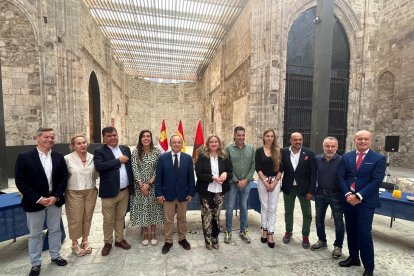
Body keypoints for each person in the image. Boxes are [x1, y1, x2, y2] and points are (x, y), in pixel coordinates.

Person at [15, 127, 69, 276]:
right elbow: (20, 181)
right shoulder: (24, 157)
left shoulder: (59, 157)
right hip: (34, 202)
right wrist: (39, 198)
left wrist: (56, 196)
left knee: (55, 230)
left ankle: (55, 255)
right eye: (46, 137)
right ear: (37, 138)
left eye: (52, 137)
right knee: (35, 234)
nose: (49, 140)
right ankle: (36, 263)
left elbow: (64, 178)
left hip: (54, 200)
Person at [338, 130, 386, 276]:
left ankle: (369, 267)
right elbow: (341, 176)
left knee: (364, 233)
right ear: (355, 140)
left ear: (370, 141)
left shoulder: (378, 158)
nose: (363, 141)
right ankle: (353, 257)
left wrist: (358, 196)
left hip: (365, 202)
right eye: (360, 139)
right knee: (351, 231)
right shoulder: (347, 157)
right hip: (348, 201)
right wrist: (347, 194)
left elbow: (376, 181)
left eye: (366, 139)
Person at [94, 127, 134, 256]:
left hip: (124, 191)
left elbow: (130, 168)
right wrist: (118, 161)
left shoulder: (125, 149)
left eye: (114, 135)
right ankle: (107, 243)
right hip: (109, 193)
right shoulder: (99, 151)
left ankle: (119, 239)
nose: (113, 137)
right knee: (108, 219)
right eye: (109, 136)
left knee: (120, 217)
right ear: (104, 139)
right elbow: (100, 167)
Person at [155, 135, 195, 254]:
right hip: (168, 195)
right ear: (170, 144)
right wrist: (159, 194)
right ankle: (168, 241)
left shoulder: (188, 158)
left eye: (179, 142)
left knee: (182, 219)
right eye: (174, 142)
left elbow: (191, 178)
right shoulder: (163, 158)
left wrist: (191, 192)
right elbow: (159, 178)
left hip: (183, 195)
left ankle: (182, 239)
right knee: (168, 219)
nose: (177, 144)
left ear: (182, 144)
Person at [195, 135, 232, 250]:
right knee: (207, 216)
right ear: (208, 144)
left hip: (219, 191)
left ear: (219, 143)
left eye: (216, 142)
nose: (214, 144)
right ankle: (207, 240)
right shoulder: (202, 156)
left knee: (216, 216)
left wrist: (225, 174)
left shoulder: (224, 157)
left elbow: (230, 171)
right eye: (211, 142)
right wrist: (213, 178)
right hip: (206, 191)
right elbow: (199, 174)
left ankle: (215, 238)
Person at [310, 137, 344, 259]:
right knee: (319, 218)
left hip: (336, 195)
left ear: (337, 147)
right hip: (320, 194)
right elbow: (313, 175)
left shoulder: (342, 160)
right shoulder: (317, 159)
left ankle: (338, 246)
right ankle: (322, 240)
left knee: (338, 222)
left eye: (333, 146)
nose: (330, 149)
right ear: (323, 147)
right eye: (327, 146)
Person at [281, 132, 316, 248]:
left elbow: (313, 174)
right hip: (288, 187)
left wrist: (311, 191)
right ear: (290, 141)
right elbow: (280, 168)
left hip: (304, 189)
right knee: (288, 212)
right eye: (295, 140)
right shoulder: (284, 152)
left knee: (307, 214)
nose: (298, 142)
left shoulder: (309, 153)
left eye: (300, 139)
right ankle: (288, 232)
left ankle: (305, 236)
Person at [64, 134, 98, 256]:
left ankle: (85, 240)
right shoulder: (67, 159)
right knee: (75, 218)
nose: (82, 145)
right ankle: (74, 243)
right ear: (73, 146)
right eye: (79, 143)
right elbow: (62, 177)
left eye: (84, 142)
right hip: (74, 191)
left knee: (87, 217)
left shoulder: (93, 158)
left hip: (90, 191)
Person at [130, 130, 163, 246]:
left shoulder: (157, 152)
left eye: (148, 136)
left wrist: (148, 184)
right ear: (140, 138)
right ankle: (145, 233)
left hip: (153, 185)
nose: (146, 138)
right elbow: (134, 168)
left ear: (151, 138)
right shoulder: (135, 152)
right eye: (143, 136)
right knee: (143, 209)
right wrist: (141, 185)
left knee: (153, 209)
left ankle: (153, 233)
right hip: (139, 187)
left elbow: (158, 169)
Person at [224, 126, 255, 244]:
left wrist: (246, 180)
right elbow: (227, 166)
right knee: (230, 207)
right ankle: (228, 230)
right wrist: (237, 181)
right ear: (235, 135)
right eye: (239, 135)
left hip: (246, 183)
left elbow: (253, 166)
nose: (241, 137)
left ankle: (243, 230)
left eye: (243, 135)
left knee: (243, 207)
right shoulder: (228, 149)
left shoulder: (251, 148)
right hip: (233, 183)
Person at [255, 129, 283, 248]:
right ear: (264, 137)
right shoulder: (259, 151)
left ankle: (271, 233)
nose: (270, 138)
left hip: (275, 182)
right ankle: (264, 230)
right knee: (264, 206)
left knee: (272, 207)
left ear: (274, 138)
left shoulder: (279, 151)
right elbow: (258, 167)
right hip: (263, 181)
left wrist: (275, 183)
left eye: (272, 136)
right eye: (268, 136)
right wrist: (266, 182)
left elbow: (281, 169)